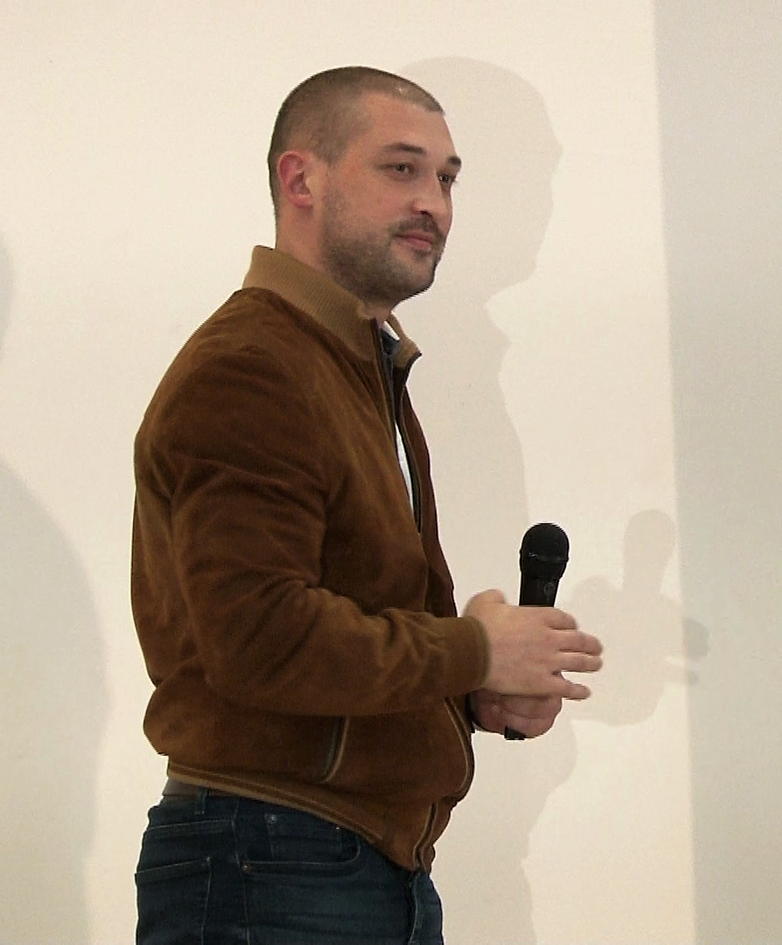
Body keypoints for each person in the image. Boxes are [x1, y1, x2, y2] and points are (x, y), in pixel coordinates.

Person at [130, 66, 602, 944]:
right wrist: (472, 647)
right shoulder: (254, 366)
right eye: (401, 168)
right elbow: (260, 638)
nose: (434, 203)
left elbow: (331, 632)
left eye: (447, 178)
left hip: (343, 863)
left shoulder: (354, 361)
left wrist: (473, 687)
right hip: (273, 862)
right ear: (300, 179)